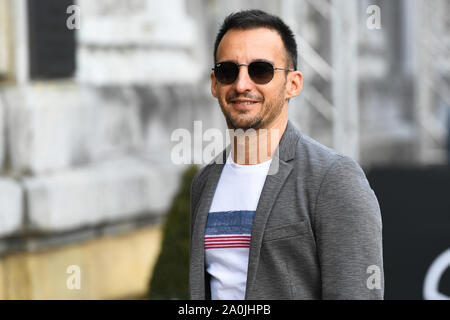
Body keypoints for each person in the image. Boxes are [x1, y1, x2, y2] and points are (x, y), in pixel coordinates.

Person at [189, 9, 384, 300]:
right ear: (215, 84)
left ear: (293, 84)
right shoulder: (204, 182)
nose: (242, 84)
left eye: (261, 70)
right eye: (229, 71)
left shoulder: (333, 179)